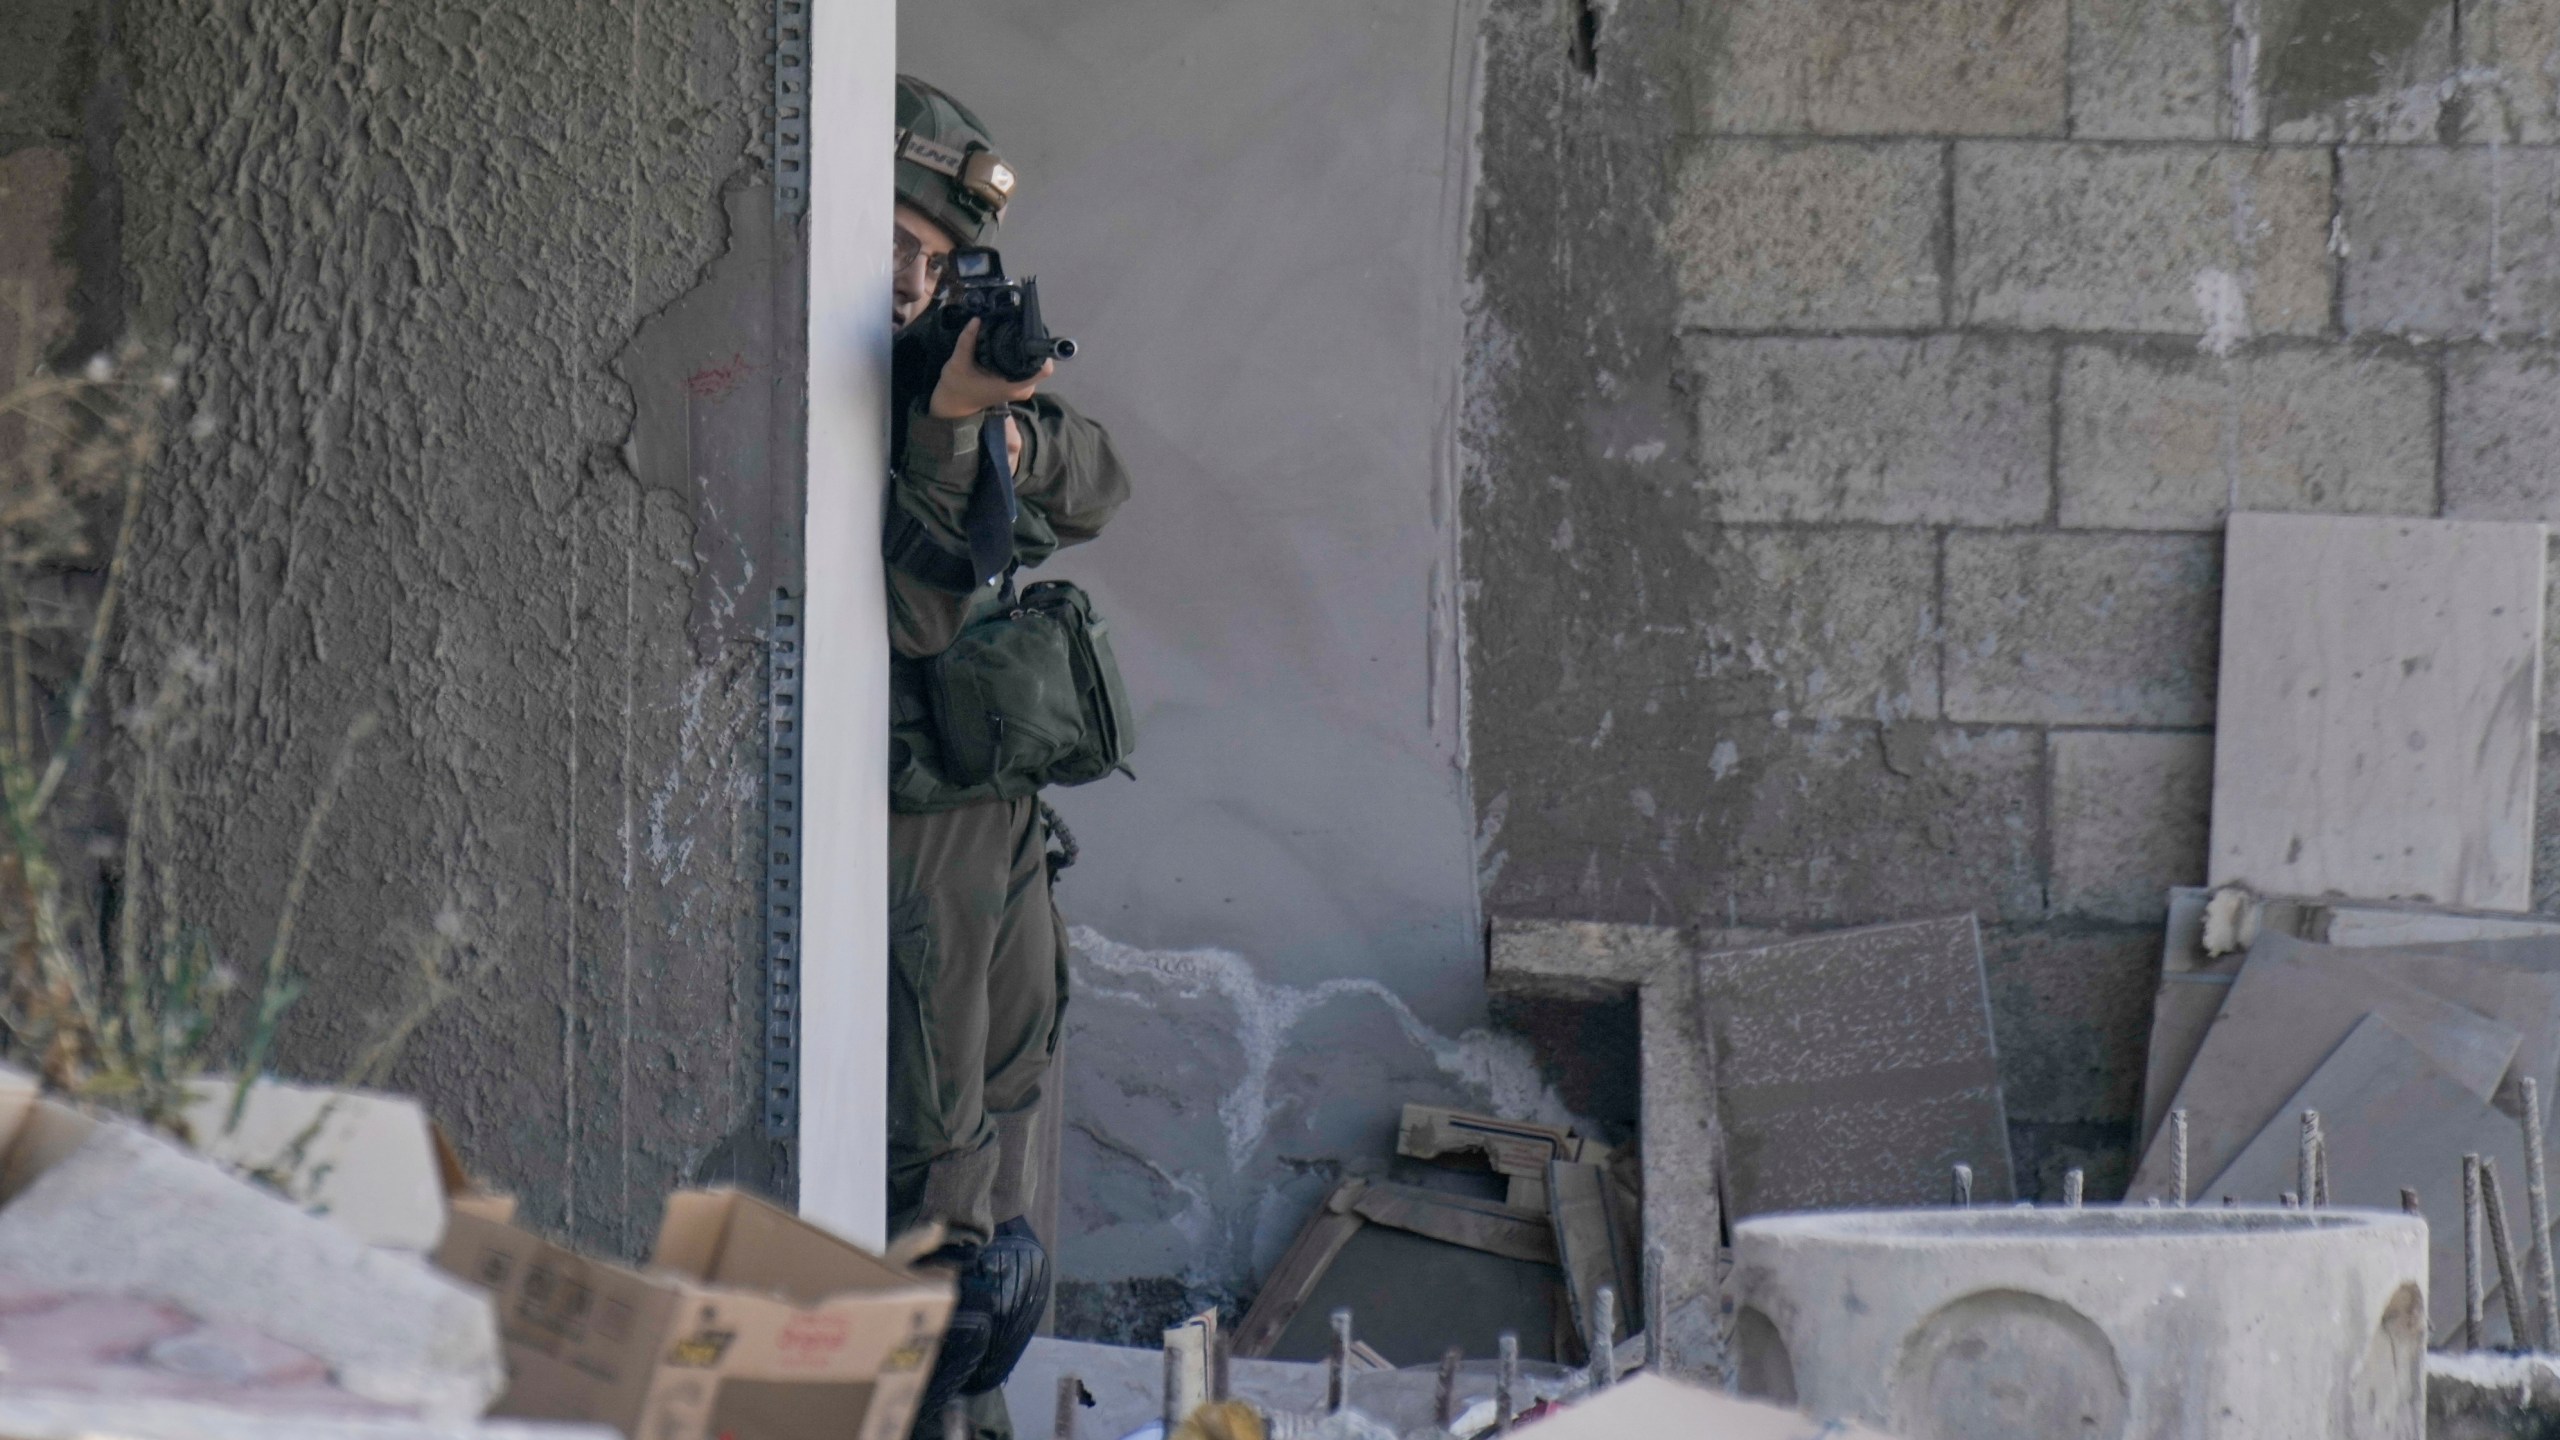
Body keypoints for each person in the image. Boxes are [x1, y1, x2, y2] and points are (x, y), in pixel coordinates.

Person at [884, 75, 1131, 1438]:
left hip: (998, 820)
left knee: (1006, 1116)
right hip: (907, 825)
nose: (910, 280)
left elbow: (1098, 481)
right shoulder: (848, 386)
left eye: (930, 258)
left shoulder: (943, 359)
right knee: (933, 1174)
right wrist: (949, 427)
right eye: (892, 249)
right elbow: (920, 597)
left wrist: (1008, 425)